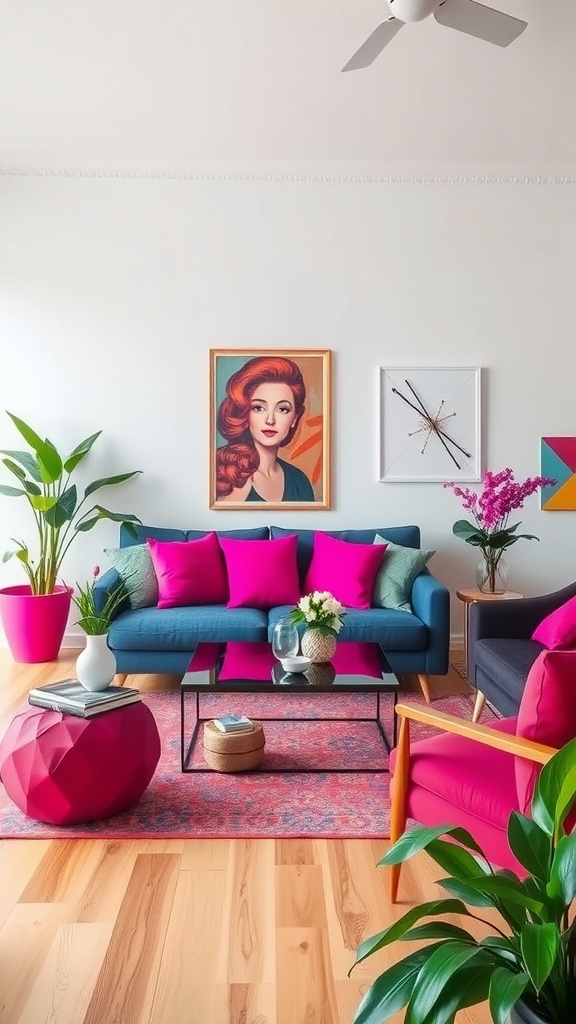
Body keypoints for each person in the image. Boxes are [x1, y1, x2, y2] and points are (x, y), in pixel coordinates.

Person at [215, 356, 316, 503]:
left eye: (282, 409)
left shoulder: (299, 481)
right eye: (259, 408)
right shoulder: (229, 475)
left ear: (294, 418)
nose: (270, 420)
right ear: (245, 413)